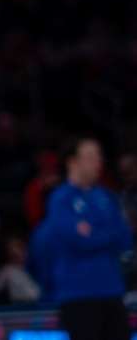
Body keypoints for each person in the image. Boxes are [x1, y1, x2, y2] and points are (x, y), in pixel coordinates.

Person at [42, 137, 132, 340]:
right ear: (72, 162)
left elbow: (124, 237)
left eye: (99, 156)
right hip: (78, 295)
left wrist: (94, 232)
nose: (98, 162)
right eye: (91, 156)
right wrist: (105, 234)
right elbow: (78, 241)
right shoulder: (60, 198)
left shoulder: (108, 197)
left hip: (112, 292)